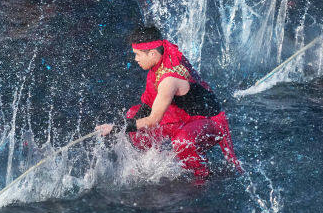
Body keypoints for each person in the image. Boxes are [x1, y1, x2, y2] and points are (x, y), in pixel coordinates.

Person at [95, 25, 242, 180]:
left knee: (182, 141)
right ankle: (156, 156)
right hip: (183, 114)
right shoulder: (162, 56)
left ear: (152, 53)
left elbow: (153, 120)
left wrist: (117, 127)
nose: (136, 59)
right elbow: (147, 106)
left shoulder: (168, 80)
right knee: (133, 116)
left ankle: (202, 174)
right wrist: (125, 126)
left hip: (210, 122)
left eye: (137, 54)